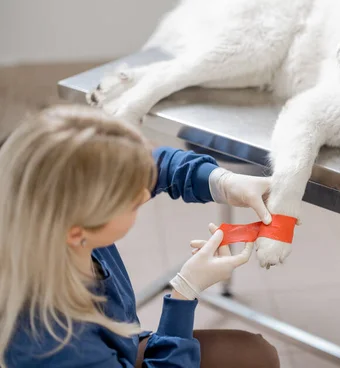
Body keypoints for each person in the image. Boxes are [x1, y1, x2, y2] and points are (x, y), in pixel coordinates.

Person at [0, 105, 280, 368]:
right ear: (77, 232)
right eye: (131, 201)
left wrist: (222, 183)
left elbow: (151, 165)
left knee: (256, 355)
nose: (145, 193)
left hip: (119, 348)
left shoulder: (47, 216)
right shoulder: (54, 344)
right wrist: (185, 292)